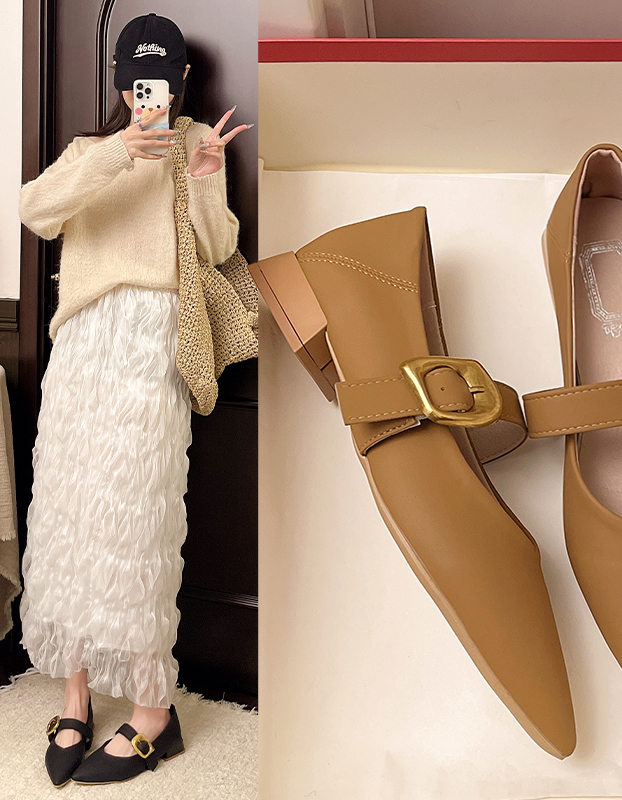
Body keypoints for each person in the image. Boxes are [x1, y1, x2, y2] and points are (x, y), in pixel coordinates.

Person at [17, 13, 251, 787]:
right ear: (121, 82)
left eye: (161, 77)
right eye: (136, 78)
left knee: (137, 518)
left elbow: (218, 250)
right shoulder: (91, 150)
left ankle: (154, 711)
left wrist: (206, 178)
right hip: (82, 341)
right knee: (67, 514)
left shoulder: (196, 143)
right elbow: (35, 211)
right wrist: (118, 151)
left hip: (153, 340)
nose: (148, 92)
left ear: (180, 79)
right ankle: (75, 698)